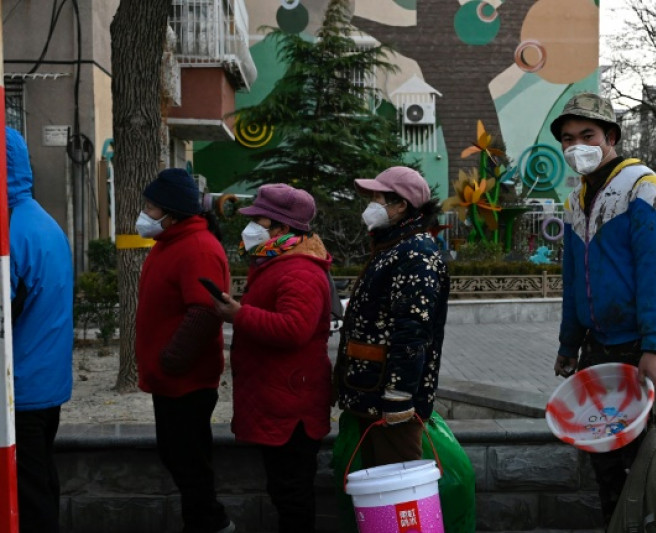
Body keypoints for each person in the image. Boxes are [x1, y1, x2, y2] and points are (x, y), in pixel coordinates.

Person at [549, 93, 656, 526]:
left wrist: (653, 347)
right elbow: (573, 282)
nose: (577, 146)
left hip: (648, 346)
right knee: (604, 458)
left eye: (587, 135)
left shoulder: (644, 188)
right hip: (599, 347)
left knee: (650, 458)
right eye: (568, 139)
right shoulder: (577, 201)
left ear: (611, 136)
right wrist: (568, 346)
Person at [212, 184, 332, 533]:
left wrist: (239, 315)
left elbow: (295, 329)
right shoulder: (277, 261)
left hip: (292, 405)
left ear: (280, 228)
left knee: (292, 494)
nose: (249, 227)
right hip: (281, 398)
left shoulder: (300, 270)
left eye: (258, 220)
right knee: (284, 491)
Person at [134, 168, 234, 533]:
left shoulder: (197, 247)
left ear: (172, 211)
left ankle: (211, 524)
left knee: (189, 463)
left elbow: (205, 309)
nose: (145, 213)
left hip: (186, 381)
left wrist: (171, 358)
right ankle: (205, 522)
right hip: (170, 381)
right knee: (178, 457)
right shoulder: (172, 241)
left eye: (151, 206)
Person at [334, 166, 450, 469]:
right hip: (371, 391)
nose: (371, 205)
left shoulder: (416, 253)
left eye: (377, 197)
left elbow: (412, 329)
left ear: (401, 205)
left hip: (389, 400)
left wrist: (399, 395)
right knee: (379, 488)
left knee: (398, 490)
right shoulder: (394, 245)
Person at [6, 127, 73, 533]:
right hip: (47, 384)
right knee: (42, 481)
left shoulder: (10, 233)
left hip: (22, 391)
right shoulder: (43, 221)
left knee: (27, 497)